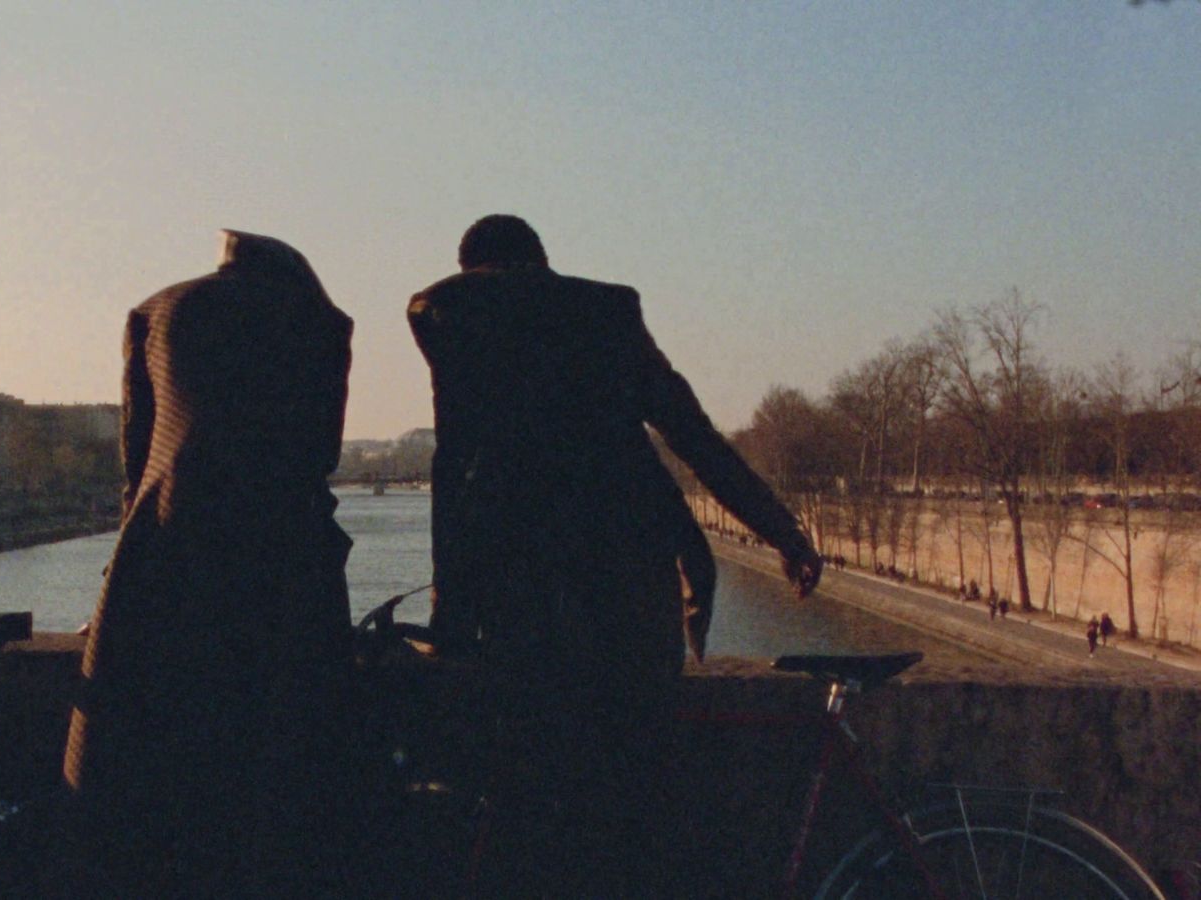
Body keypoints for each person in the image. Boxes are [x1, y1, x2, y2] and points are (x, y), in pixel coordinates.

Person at [406, 214, 822, 892]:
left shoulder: (453, 316)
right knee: (635, 790)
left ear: (470, 266)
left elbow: (454, 471)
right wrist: (784, 533)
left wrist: (449, 606)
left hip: (524, 592)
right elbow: (694, 437)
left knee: (531, 800)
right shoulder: (608, 312)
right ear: (543, 261)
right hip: (630, 579)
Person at [61, 230, 356, 895]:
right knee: (279, 776)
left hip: (163, 552)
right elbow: (320, 449)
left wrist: (115, 584)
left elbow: (138, 465)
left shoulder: (155, 311)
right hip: (281, 559)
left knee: (147, 770)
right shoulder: (318, 320)